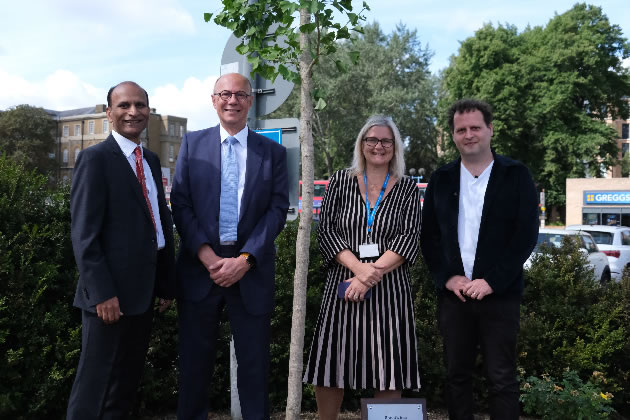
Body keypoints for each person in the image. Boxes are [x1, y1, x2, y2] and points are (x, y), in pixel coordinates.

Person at [171, 72, 289, 420]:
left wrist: (245, 259)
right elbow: (181, 204)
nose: (232, 100)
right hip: (199, 271)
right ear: (213, 100)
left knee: (254, 368)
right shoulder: (193, 144)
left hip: (249, 273)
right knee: (194, 366)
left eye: (240, 94)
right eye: (225, 94)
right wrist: (208, 257)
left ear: (250, 101)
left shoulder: (274, 153)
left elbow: (277, 210)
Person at [420, 99, 539, 420]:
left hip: (500, 296)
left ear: (490, 129)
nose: (468, 135)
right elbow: (428, 237)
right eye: (461, 130)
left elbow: (525, 236)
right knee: (456, 377)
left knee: (502, 379)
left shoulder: (516, 175)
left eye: (475, 127)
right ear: (454, 135)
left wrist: (492, 281)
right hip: (453, 298)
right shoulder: (441, 179)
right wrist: (447, 277)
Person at [66, 81, 176, 419]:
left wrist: (165, 283)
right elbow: (85, 235)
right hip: (108, 300)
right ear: (109, 112)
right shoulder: (94, 159)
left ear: (149, 110)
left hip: (142, 295)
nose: (133, 112)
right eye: (124, 105)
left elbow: (157, 224)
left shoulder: (151, 160)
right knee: (94, 389)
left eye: (140, 105)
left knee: (124, 387)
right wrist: (102, 294)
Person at [303, 115, 422, 419]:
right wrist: (359, 269)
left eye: (386, 141)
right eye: (372, 140)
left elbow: (409, 237)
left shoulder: (408, 189)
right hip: (343, 286)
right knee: (331, 363)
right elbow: (327, 231)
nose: (378, 146)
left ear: (395, 147)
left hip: (389, 290)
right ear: (361, 144)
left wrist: (371, 275)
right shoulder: (340, 182)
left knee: (388, 368)